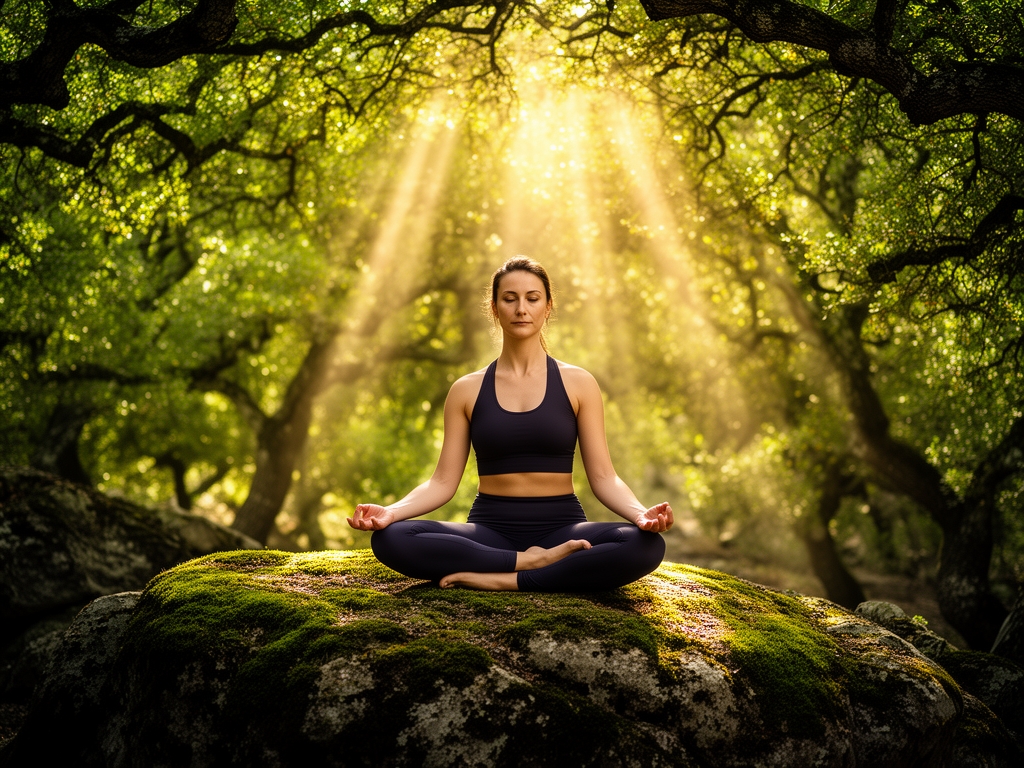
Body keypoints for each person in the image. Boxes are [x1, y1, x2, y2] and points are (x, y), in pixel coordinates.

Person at [347, 256, 673, 591]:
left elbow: (604, 477)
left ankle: (510, 580)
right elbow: (442, 483)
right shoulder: (466, 390)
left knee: (644, 544)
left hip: (562, 528)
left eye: (532, 299)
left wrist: (640, 515)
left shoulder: (579, 383)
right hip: (490, 532)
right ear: (494, 308)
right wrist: (390, 512)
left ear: (547, 307)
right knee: (392, 538)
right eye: (509, 299)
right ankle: (529, 564)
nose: (521, 309)